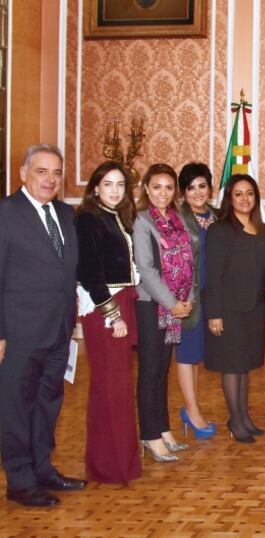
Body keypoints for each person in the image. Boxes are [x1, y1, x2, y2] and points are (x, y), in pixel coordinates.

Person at [0, 145, 84, 507]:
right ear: (23, 173)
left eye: (56, 173)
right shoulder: (6, 214)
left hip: (59, 330)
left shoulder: (65, 214)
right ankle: (20, 481)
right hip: (18, 333)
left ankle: (42, 468)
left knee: (48, 403)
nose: (50, 179)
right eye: (41, 171)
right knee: (16, 408)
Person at [75, 161, 142, 485]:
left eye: (120, 184)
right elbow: (90, 272)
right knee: (110, 386)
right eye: (108, 184)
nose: (115, 190)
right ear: (95, 188)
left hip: (123, 302)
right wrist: (113, 315)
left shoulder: (117, 215)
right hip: (105, 309)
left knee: (119, 386)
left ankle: (120, 463)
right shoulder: (89, 218)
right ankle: (108, 466)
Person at [133, 164, 194, 461]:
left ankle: (163, 429)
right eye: (156, 187)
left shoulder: (177, 219)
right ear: (146, 188)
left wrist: (187, 298)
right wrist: (172, 303)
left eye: (169, 187)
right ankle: (149, 434)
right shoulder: (142, 221)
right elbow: (145, 269)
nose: (163, 193)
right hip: (152, 305)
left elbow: (188, 262)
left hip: (175, 306)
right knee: (150, 370)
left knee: (162, 370)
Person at [203, 175, 265, 444]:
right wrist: (214, 313)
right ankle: (235, 421)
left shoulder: (260, 228)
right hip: (228, 309)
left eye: (250, 193)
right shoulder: (220, 230)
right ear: (229, 198)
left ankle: (243, 418)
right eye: (239, 193)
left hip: (254, 307)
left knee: (245, 365)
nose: (245, 198)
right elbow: (213, 275)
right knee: (232, 365)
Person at [175, 163, 217, 440]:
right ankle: (191, 412)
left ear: (210, 188)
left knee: (197, 355)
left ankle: (192, 408)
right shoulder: (178, 219)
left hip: (211, 296)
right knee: (186, 354)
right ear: (183, 192)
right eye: (191, 188)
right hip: (188, 296)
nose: (198, 192)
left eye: (202, 186)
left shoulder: (217, 216)